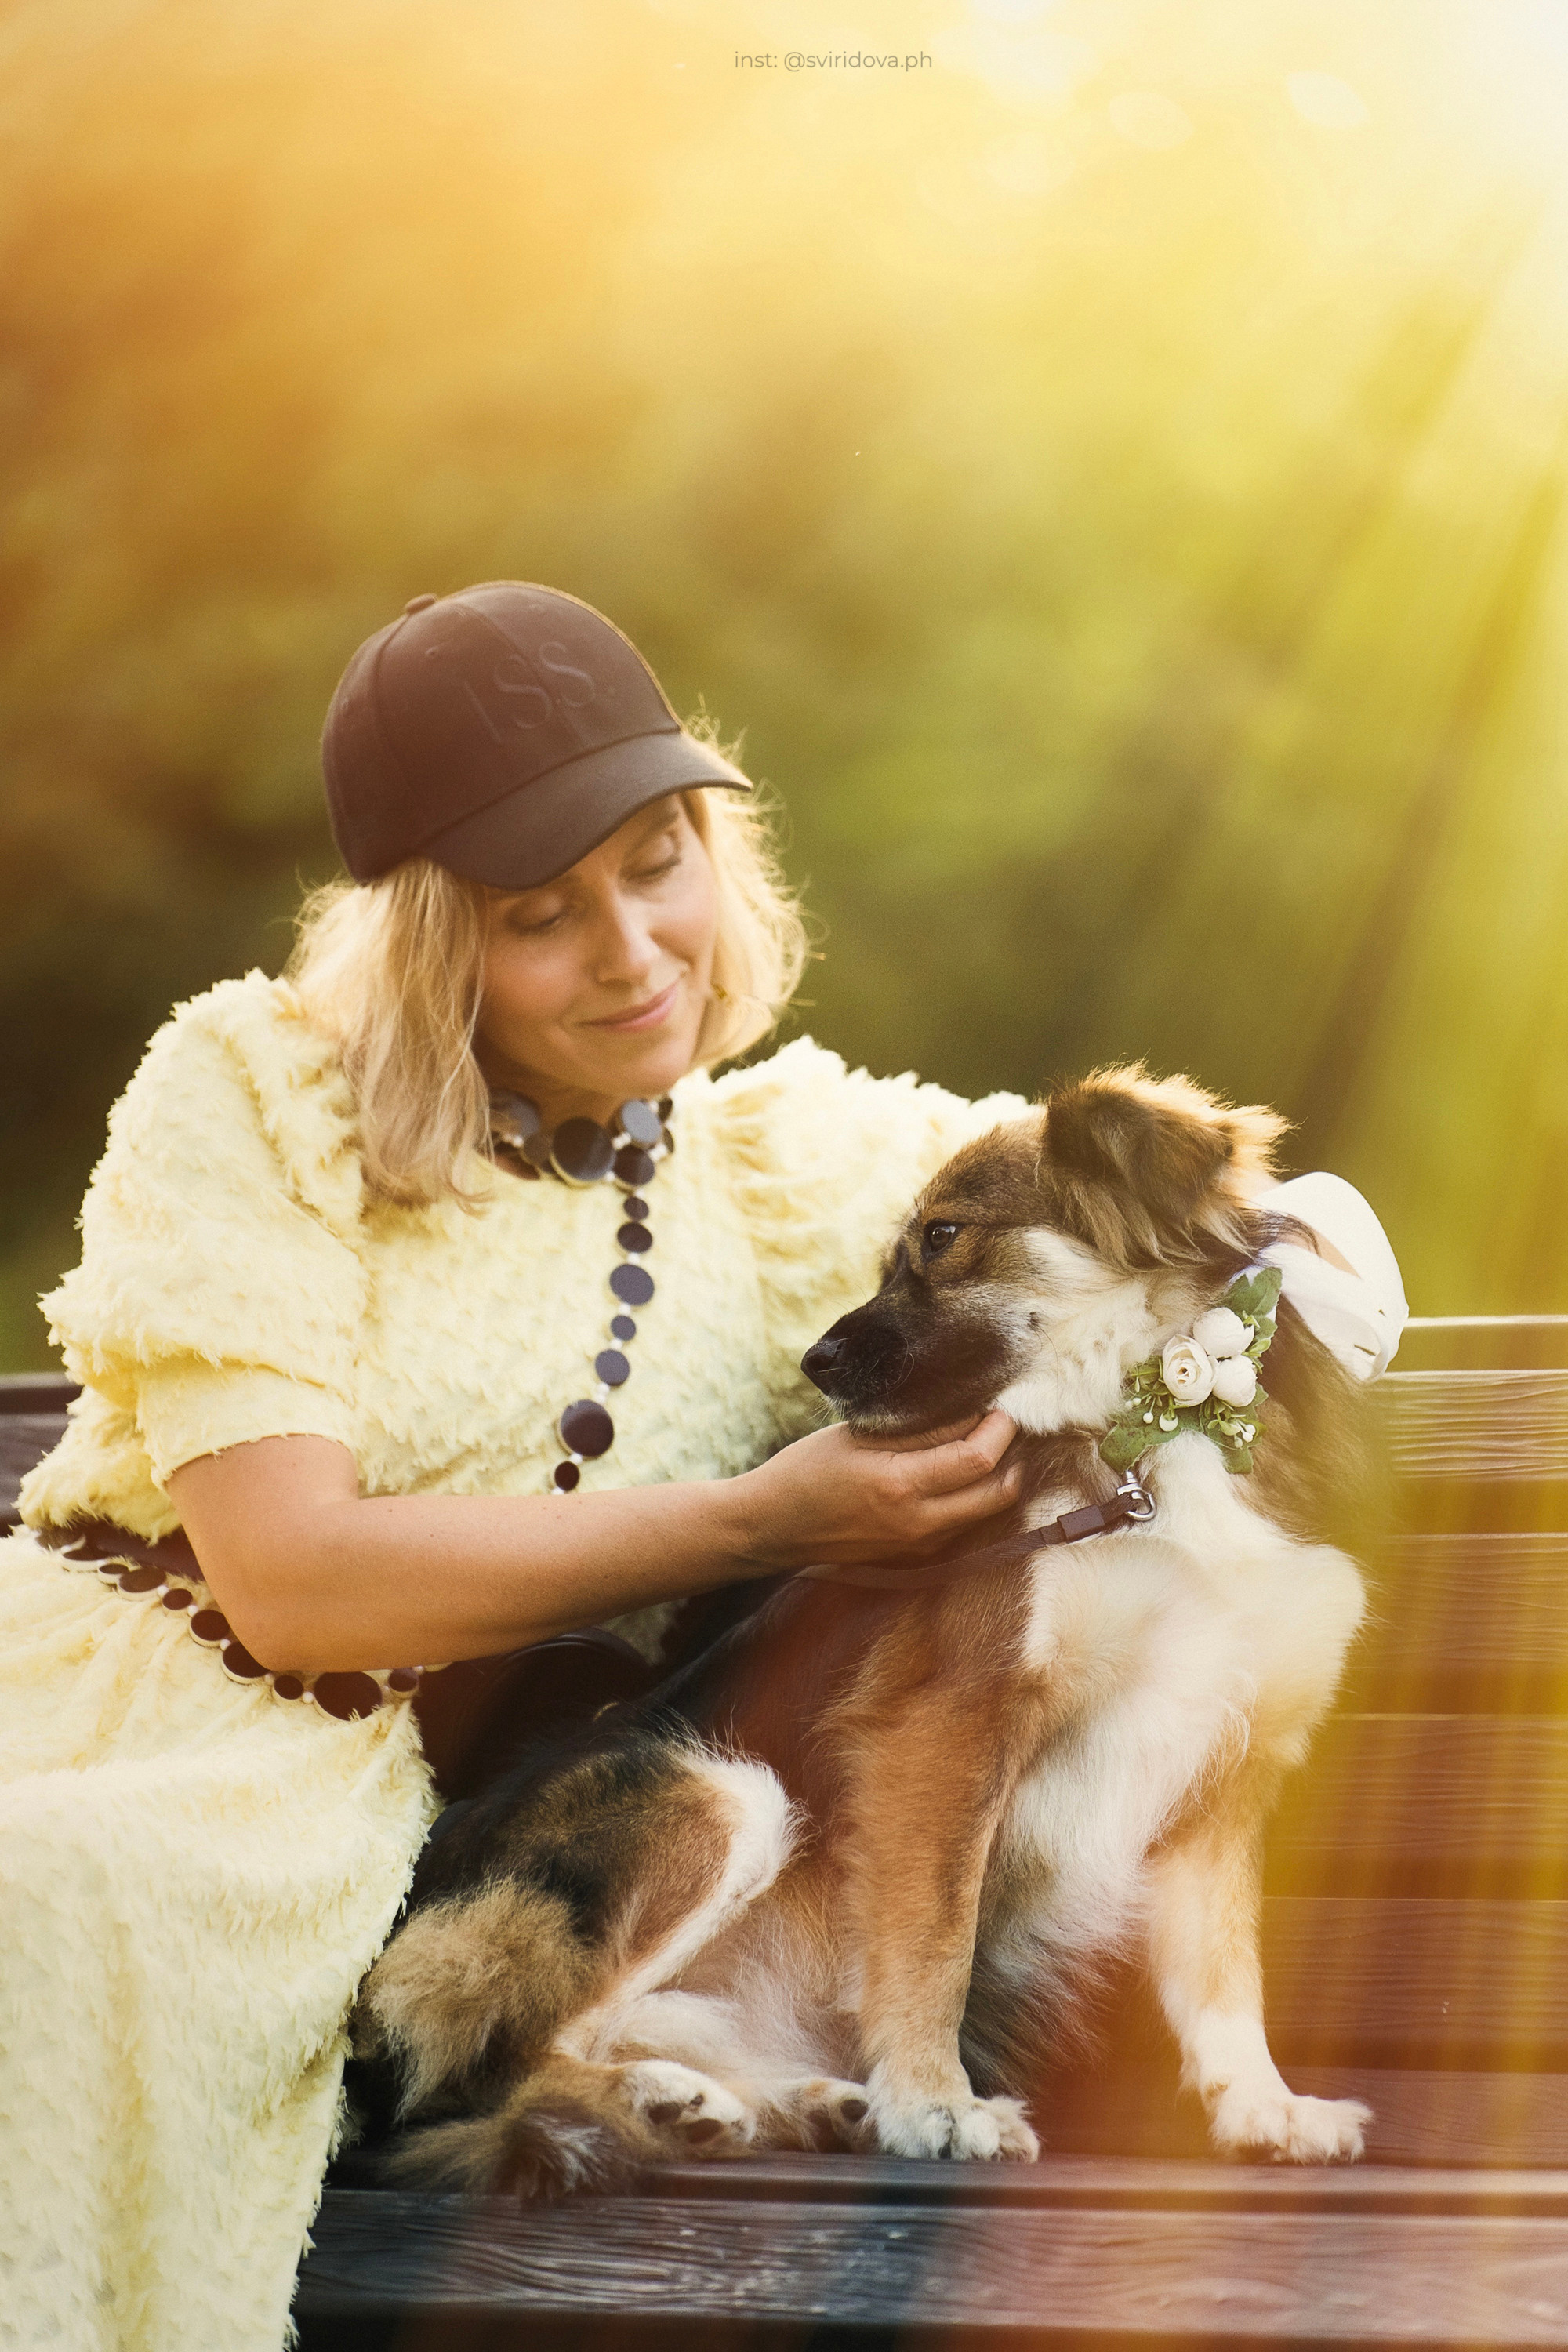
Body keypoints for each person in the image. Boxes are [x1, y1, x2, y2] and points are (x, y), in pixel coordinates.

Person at [0, 582, 1407, 2352]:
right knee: (36, 1896)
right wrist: (768, 1517)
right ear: (438, 945)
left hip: (478, 1839)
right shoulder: (257, 1094)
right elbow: (287, 1582)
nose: (632, 947)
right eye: (540, 914)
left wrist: (1286, 1272)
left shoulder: (786, 1159)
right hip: (143, 1721)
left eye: (658, 861)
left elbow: (1211, 1219)